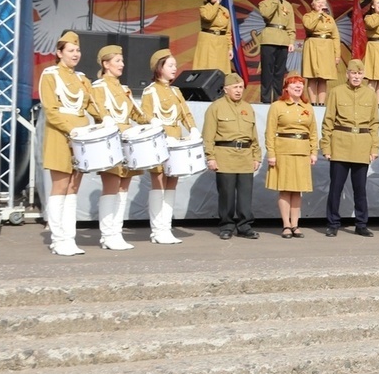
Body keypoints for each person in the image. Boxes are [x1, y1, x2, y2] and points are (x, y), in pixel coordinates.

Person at [41, 30, 105, 255]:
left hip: (81, 139)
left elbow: (91, 104)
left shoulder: (82, 79)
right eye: (70, 50)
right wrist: (73, 130)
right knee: (60, 186)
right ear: (59, 53)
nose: (75, 54)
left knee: (73, 188)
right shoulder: (49, 75)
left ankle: (69, 237)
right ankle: (58, 239)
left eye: (77, 50)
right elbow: (51, 110)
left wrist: (104, 120)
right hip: (60, 135)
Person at [90, 44, 149, 250]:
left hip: (128, 141)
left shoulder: (124, 89)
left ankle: (117, 231)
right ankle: (107, 234)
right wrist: (110, 124)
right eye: (117, 61)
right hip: (111, 140)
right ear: (106, 64)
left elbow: (135, 114)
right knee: (111, 187)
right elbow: (99, 111)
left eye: (122, 61)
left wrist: (150, 122)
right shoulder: (98, 87)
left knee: (124, 187)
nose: (122, 65)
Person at [143, 49, 198, 244]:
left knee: (172, 185)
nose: (175, 69)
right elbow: (145, 115)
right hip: (158, 141)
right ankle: (157, 230)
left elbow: (186, 114)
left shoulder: (176, 91)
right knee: (158, 184)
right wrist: (153, 122)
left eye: (175, 65)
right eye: (170, 65)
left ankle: (166, 227)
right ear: (159, 68)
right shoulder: (149, 91)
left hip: (176, 140)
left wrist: (192, 129)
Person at [320, 60, 379, 237]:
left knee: (360, 189)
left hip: (362, 144)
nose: (356, 77)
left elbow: (374, 123)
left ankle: (361, 224)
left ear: (363, 75)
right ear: (347, 74)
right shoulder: (336, 92)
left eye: (359, 74)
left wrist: (374, 147)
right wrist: (326, 146)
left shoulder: (370, 95)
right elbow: (328, 121)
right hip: (340, 144)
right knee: (336, 188)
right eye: (353, 73)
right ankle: (333, 223)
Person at [202, 73, 262, 240]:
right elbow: (208, 135)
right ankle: (227, 225)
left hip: (245, 155)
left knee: (245, 193)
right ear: (226, 89)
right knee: (226, 193)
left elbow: (254, 135)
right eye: (235, 87)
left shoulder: (248, 108)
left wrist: (256, 156)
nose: (238, 90)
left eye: (241, 87)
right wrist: (210, 157)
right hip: (225, 155)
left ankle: (245, 226)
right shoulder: (216, 107)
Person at [264, 73, 318, 237]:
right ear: (286, 87)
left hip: (302, 152)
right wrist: (271, 154)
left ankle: (295, 224)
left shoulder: (307, 107)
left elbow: (313, 132)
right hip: (284, 152)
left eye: (301, 84)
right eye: (294, 83)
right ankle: (286, 224)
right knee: (285, 190)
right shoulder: (277, 106)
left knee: (297, 190)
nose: (298, 86)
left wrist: (313, 152)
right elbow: (270, 132)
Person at [258, 0, 295, 103]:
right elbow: (266, 15)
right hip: (269, 38)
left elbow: (291, 24)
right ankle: (265, 99)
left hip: (283, 39)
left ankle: (278, 99)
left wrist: (291, 41)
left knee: (280, 72)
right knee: (267, 71)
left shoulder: (288, 5)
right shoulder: (264, 3)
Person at [301, 0, 339, 105]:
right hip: (313, 46)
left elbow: (336, 36)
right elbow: (309, 26)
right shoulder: (308, 16)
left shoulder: (330, 19)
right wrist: (318, 15)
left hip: (327, 48)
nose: (321, 4)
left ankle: (321, 103)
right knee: (312, 76)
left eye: (323, 3)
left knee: (323, 77)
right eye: (319, 2)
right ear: (313, 5)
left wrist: (337, 55)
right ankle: (313, 102)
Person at [195, 0, 234, 74]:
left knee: (221, 70)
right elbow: (209, 17)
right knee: (207, 68)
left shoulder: (225, 10)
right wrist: (217, 4)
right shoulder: (204, 8)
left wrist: (230, 48)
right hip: (208, 41)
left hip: (222, 43)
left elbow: (228, 32)